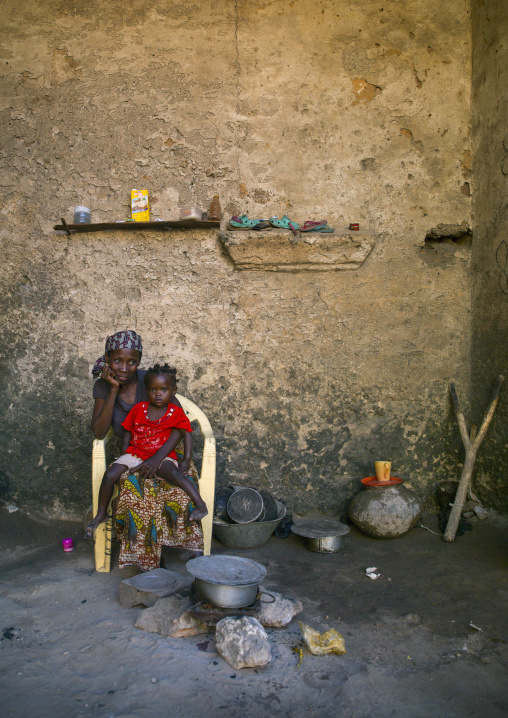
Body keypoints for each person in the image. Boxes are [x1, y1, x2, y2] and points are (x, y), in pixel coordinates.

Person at [90, 330, 205, 569]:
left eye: (131, 362)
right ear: (108, 359)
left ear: (139, 362)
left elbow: (178, 426)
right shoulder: (103, 385)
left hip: (165, 453)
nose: (123, 368)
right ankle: (147, 558)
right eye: (117, 361)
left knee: (178, 490)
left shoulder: (151, 381)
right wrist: (112, 390)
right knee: (132, 493)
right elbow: (99, 432)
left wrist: (158, 458)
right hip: (134, 453)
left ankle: (186, 553)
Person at [86, 363, 208, 537]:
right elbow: (128, 430)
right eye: (153, 389)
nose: (158, 394)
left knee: (175, 475)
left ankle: (201, 504)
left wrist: (186, 458)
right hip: (136, 453)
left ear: (173, 391)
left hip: (161, 457)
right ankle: (101, 512)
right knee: (110, 475)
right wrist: (125, 452)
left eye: (163, 390)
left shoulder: (175, 412)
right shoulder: (139, 409)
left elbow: (186, 433)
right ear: (147, 390)